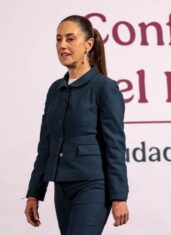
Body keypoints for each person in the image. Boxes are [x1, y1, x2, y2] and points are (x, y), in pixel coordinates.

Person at [24, 15, 129, 234]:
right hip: (61, 188)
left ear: (88, 44)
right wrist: (34, 193)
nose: (62, 45)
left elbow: (115, 146)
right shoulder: (55, 89)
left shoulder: (104, 88)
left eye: (70, 39)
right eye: (59, 39)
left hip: (93, 186)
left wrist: (119, 196)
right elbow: (46, 146)